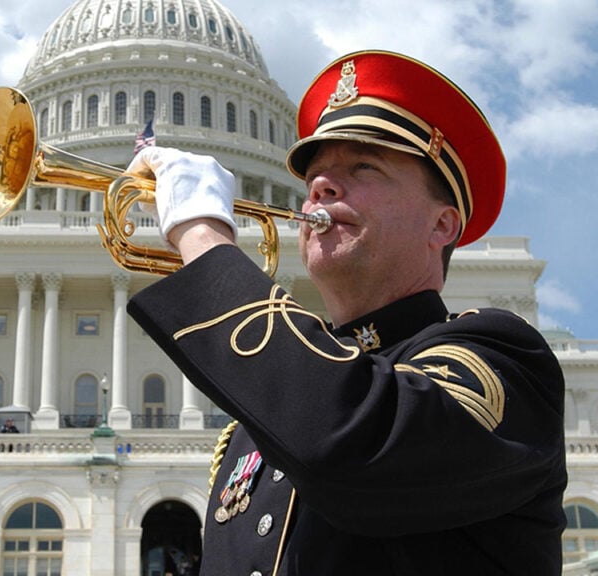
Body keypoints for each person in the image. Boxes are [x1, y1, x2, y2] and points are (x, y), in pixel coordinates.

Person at [125, 50, 567, 575]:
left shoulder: (500, 358)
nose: (321, 187)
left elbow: (354, 445)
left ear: (442, 226)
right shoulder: (247, 436)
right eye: (315, 175)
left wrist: (202, 237)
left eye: (363, 166)